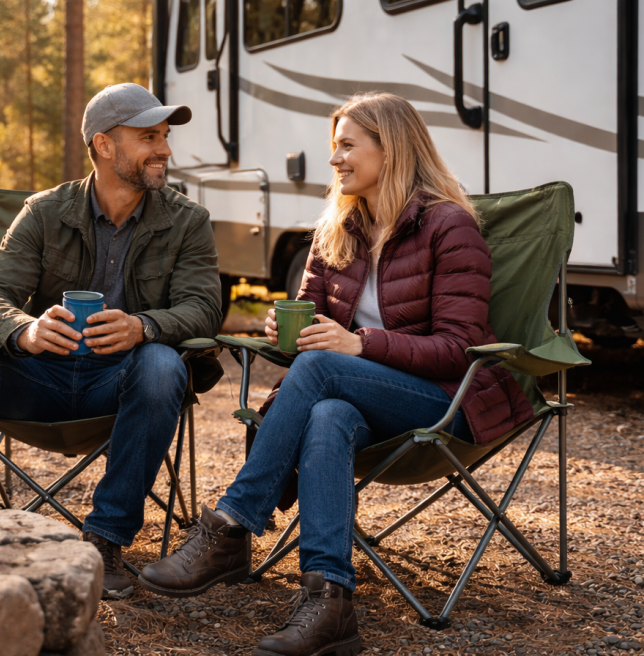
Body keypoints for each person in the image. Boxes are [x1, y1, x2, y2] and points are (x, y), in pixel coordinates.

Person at [138, 93, 532, 656]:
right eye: (335, 146)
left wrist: (358, 343)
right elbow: (310, 345)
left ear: (391, 149)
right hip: (353, 398)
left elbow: (460, 347)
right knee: (327, 414)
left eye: (347, 146)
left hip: (443, 401)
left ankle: (230, 525)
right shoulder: (336, 230)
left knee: (326, 369)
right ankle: (330, 601)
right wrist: (286, 333)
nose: (335, 159)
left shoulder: (449, 226)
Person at [0, 83, 223, 599]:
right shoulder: (45, 212)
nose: (164, 149)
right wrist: (24, 331)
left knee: (161, 365)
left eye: (165, 136)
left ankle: (106, 539)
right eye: (148, 136)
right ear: (104, 145)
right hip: (37, 376)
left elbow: (203, 307)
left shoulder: (187, 221)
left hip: (120, 383)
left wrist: (144, 327)